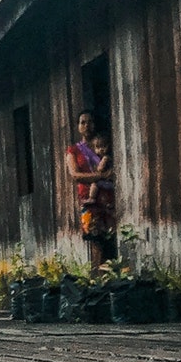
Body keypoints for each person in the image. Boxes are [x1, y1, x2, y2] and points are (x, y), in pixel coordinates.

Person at [65, 111, 116, 269]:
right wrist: (99, 176)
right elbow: (75, 175)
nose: (87, 125)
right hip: (89, 199)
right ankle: (97, 280)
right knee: (95, 240)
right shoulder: (73, 150)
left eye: (90, 122)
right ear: (78, 127)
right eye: (83, 122)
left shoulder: (101, 146)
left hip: (108, 197)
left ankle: (110, 278)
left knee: (111, 237)